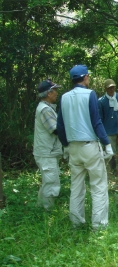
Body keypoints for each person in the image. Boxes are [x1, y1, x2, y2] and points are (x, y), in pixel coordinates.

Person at [57, 65, 114, 231]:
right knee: (98, 185)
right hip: (89, 145)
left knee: (76, 186)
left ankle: (76, 222)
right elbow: (96, 122)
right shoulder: (90, 94)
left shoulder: (64, 97)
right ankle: (99, 226)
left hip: (73, 147)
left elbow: (60, 125)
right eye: (88, 76)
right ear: (85, 77)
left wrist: (65, 145)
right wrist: (107, 144)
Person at [33, 79, 63, 210]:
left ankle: (40, 208)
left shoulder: (46, 108)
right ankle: (47, 212)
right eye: (55, 90)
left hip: (47, 152)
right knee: (51, 182)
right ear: (49, 93)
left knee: (47, 181)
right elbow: (55, 130)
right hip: (47, 152)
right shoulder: (45, 109)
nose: (57, 93)